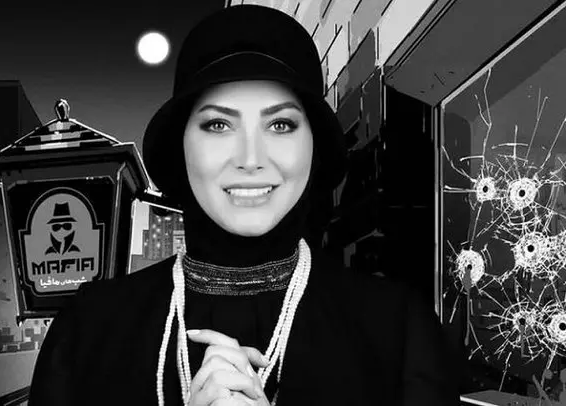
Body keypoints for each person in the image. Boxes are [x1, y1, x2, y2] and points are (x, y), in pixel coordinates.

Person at [28, 4, 460, 405]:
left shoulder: (397, 329)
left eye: (281, 124)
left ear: (314, 146)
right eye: (218, 124)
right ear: (181, 145)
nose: (251, 159)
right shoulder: (88, 330)